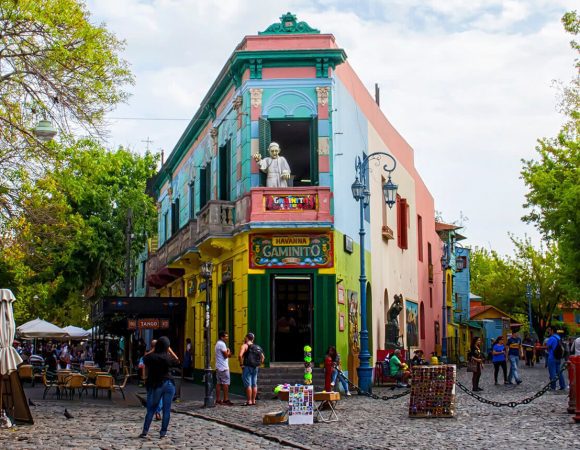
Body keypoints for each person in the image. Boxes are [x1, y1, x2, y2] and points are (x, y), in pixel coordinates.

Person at [139, 336, 180, 439]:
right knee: (167, 410)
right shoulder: (167, 358)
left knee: (152, 408)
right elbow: (177, 360)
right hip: (169, 385)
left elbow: (144, 358)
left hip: (157, 385)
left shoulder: (152, 357)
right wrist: (169, 349)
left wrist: (153, 349)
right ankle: (163, 433)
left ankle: (145, 431)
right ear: (167, 346)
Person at [238, 332, 264, 406]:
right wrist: (258, 364)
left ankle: (249, 401)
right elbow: (263, 358)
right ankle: (253, 400)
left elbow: (240, 356)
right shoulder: (257, 347)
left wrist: (241, 365)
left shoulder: (245, 345)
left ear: (246, 338)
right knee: (254, 384)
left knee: (248, 384)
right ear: (253, 339)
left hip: (247, 366)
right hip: (255, 367)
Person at [545, 327, 566, 391]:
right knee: (559, 372)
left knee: (552, 373)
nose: (548, 332)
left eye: (549, 330)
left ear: (552, 331)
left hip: (552, 357)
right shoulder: (558, 337)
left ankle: (553, 387)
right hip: (558, 357)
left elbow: (547, 347)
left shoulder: (551, 338)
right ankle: (562, 385)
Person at [215, 331, 233, 405]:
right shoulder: (222, 344)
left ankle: (218, 399)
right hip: (223, 367)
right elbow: (226, 355)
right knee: (225, 383)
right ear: (222, 337)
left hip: (218, 366)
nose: (227, 338)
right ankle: (226, 399)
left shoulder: (217, 344)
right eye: (226, 336)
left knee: (219, 383)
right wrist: (229, 351)